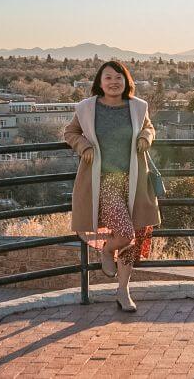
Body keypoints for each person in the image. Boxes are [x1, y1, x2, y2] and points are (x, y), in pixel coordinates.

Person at [64, 60, 161, 312]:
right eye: (108, 78)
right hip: (104, 181)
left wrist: (145, 136)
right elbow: (70, 132)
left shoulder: (138, 107)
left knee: (134, 234)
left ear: (127, 81)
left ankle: (123, 290)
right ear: (100, 82)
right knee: (125, 233)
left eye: (119, 77)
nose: (114, 82)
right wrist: (83, 145)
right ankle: (107, 251)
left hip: (135, 179)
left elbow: (149, 128)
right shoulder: (87, 108)